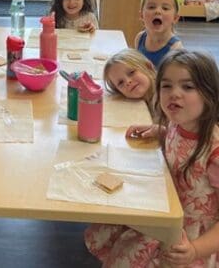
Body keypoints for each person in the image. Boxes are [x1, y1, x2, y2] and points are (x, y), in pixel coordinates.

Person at [85, 49, 219, 267]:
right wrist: (160, 131)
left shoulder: (214, 153)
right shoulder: (177, 123)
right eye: (167, 86)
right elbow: (180, 141)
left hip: (189, 239)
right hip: (163, 209)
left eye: (187, 87)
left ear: (210, 93)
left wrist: (196, 250)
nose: (174, 94)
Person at [135, 0, 183, 68]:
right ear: (142, 16)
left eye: (165, 8)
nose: (157, 11)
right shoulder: (140, 38)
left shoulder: (175, 48)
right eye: (151, 7)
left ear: (175, 18)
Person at [103, 48, 156, 113]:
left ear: (148, 67)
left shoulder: (164, 96)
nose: (128, 82)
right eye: (120, 82)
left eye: (131, 72)